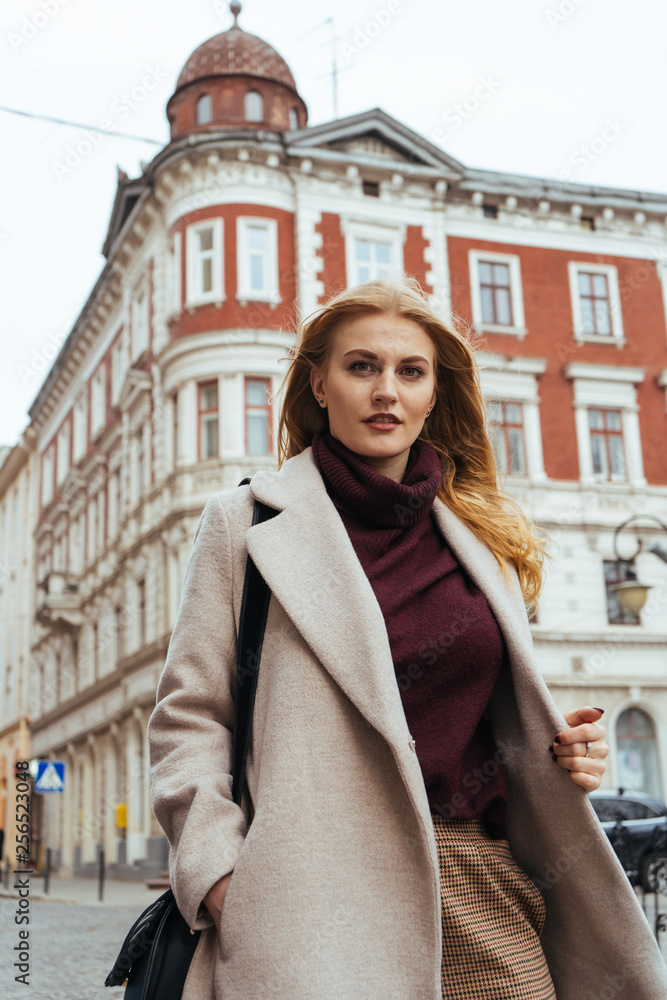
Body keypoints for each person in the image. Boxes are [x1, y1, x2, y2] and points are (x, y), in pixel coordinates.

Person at [147, 279, 667, 1000]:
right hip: (313, 896)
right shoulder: (244, 522)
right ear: (319, 385)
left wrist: (565, 754)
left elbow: (493, 721)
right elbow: (189, 717)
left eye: (409, 371)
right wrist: (222, 881)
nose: (385, 389)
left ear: (433, 394)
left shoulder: (483, 537)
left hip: (481, 879)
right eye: (361, 366)